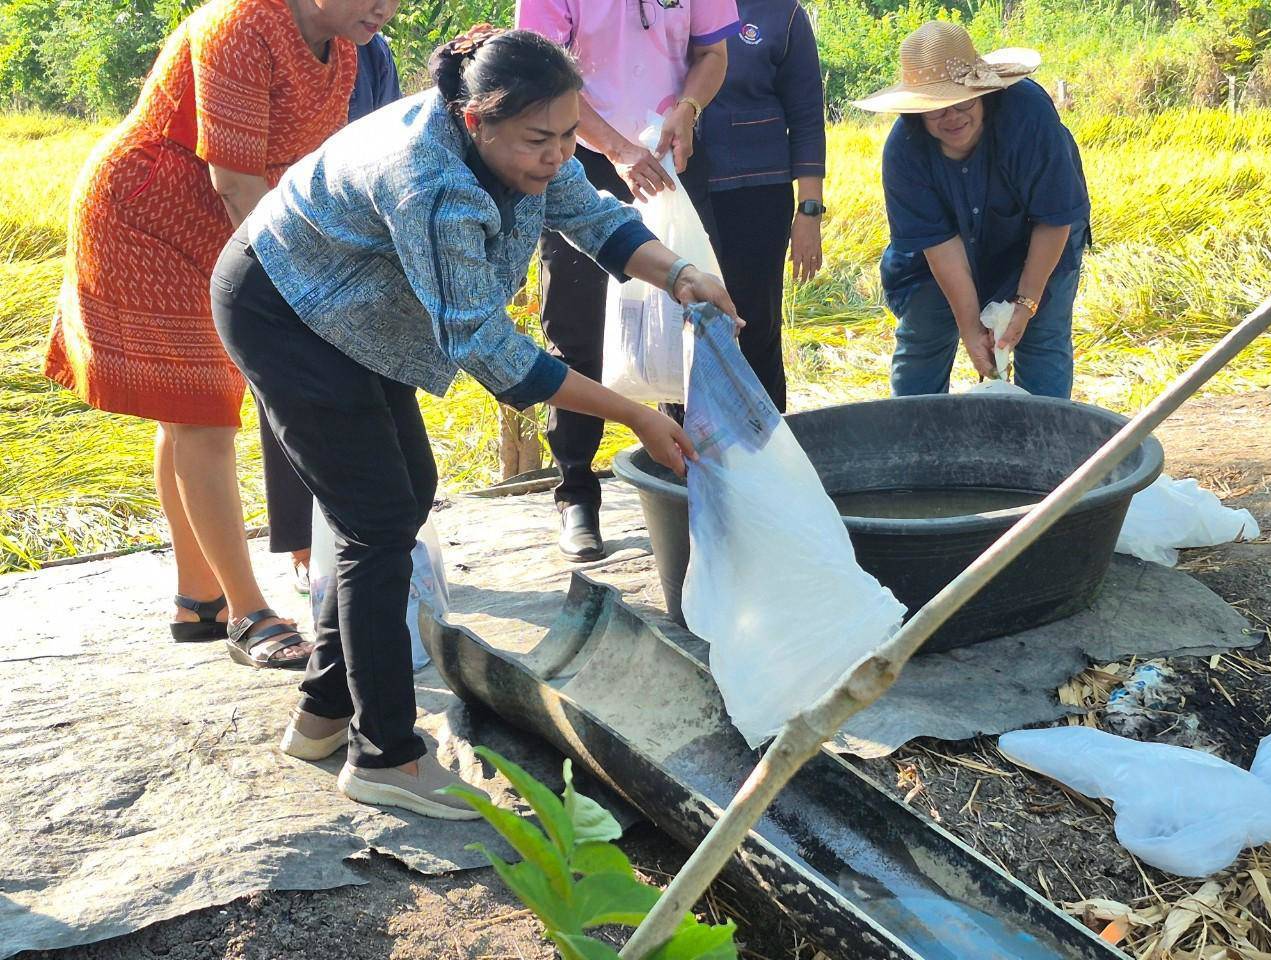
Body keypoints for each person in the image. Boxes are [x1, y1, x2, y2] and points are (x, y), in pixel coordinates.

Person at [211, 27, 738, 817]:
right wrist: (632, 413)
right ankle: (384, 754)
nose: (556, 155)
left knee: (401, 497)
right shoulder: (431, 183)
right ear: (474, 121)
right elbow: (488, 348)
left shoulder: (530, 143)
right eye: (538, 140)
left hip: (356, 306)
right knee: (376, 523)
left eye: (568, 134)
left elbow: (592, 215)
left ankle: (324, 711)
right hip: (284, 308)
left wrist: (682, 274)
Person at [43, 0, 398, 668]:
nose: (388, 7)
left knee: (189, 415)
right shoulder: (239, 25)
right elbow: (235, 180)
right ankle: (246, 613)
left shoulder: (345, 47)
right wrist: (295, 285)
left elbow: (308, 170)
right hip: (148, 217)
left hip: (221, 224)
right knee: (202, 418)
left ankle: (198, 599)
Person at [516, 0, 740, 563]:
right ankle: (576, 492)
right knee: (577, 331)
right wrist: (616, 148)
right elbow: (541, 73)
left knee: (689, 317)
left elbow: (713, 53)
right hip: (581, 157)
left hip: (673, 154)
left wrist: (688, 108)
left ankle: (694, 482)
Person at [854, 21, 1090, 398]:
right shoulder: (903, 152)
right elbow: (941, 247)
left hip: (1038, 235)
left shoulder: (1028, 116)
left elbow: (1053, 218)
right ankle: (917, 432)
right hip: (941, 258)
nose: (952, 117)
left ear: (983, 92)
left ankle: (1044, 434)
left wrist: (1025, 304)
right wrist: (969, 327)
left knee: (1042, 336)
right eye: (936, 109)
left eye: (962, 101)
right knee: (923, 337)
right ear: (917, 111)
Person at [256, 31, 404, 596]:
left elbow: (390, 141)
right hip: (284, 237)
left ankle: (380, 541)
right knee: (295, 401)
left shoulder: (372, 52)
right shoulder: (267, 37)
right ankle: (304, 548)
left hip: (360, 238)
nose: (380, 9)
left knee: (376, 397)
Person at [700, 0, 825, 412]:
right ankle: (686, 443)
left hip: (758, 194)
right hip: (679, 189)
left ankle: (769, 439)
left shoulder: (782, 13)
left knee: (755, 324)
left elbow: (807, 114)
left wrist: (809, 210)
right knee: (686, 326)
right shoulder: (668, 8)